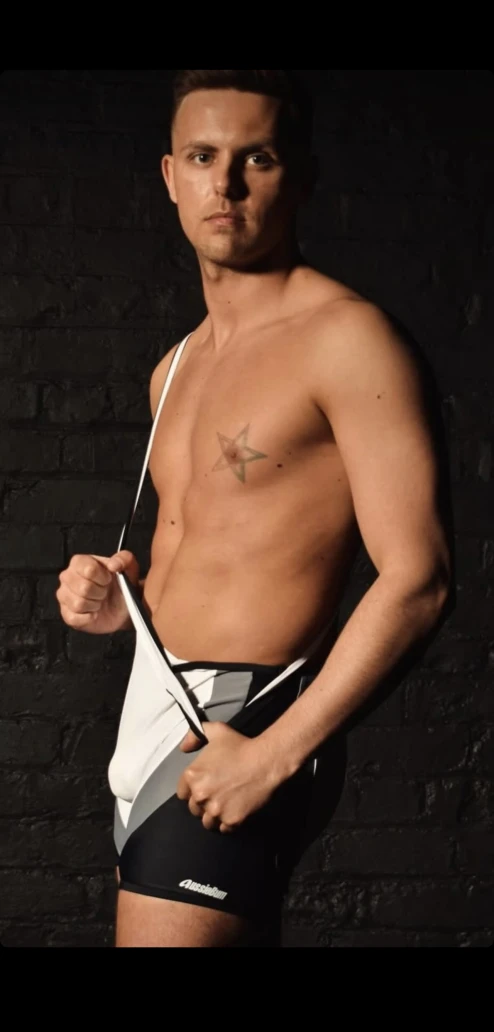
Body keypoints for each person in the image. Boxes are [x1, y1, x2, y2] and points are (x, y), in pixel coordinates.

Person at [56, 70, 451, 948]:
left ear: (300, 177)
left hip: (249, 717)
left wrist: (275, 753)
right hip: (152, 706)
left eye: (257, 159)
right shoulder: (175, 367)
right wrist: (122, 600)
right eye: (202, 158)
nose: (225, 185)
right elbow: (213, 543)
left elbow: (420, 580)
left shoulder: (348, 340)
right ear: (171, 176)